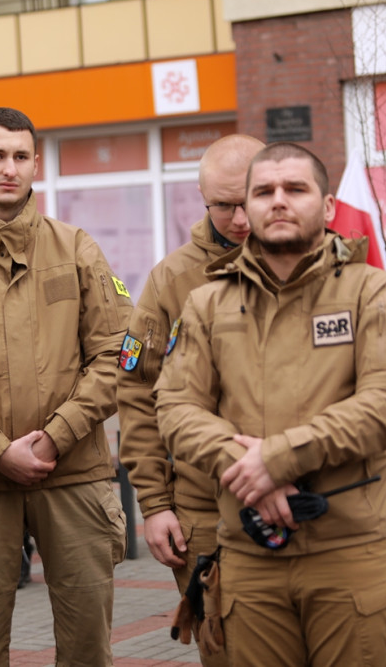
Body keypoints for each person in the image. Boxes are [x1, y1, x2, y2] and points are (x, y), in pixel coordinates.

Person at [154, 142, 386, 666]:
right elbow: (173, 406)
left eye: (295, 189)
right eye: (263, 192)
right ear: (248, 205)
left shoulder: (372, 292)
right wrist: (245, 465)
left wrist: (279, 458)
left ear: (326, 207)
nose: (277, 201)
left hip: (348, 554)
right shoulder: (208, 302)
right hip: (248, 561)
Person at [0, 107, 132, 667]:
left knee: (88, 646)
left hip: (75, 473)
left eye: (20, 156)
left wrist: (56, 436)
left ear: (36, 164)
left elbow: (118, 354)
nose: (8, 169)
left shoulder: (78, 249)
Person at [116, 134, 263, 663]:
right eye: (225, 205)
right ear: (203, 200)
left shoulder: (326, 273)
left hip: (309, 498)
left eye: (253, 199)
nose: (241, 218)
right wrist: (154, 505)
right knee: (225, 649)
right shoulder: (171, 281)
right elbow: (135, 394)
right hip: (205, 509)